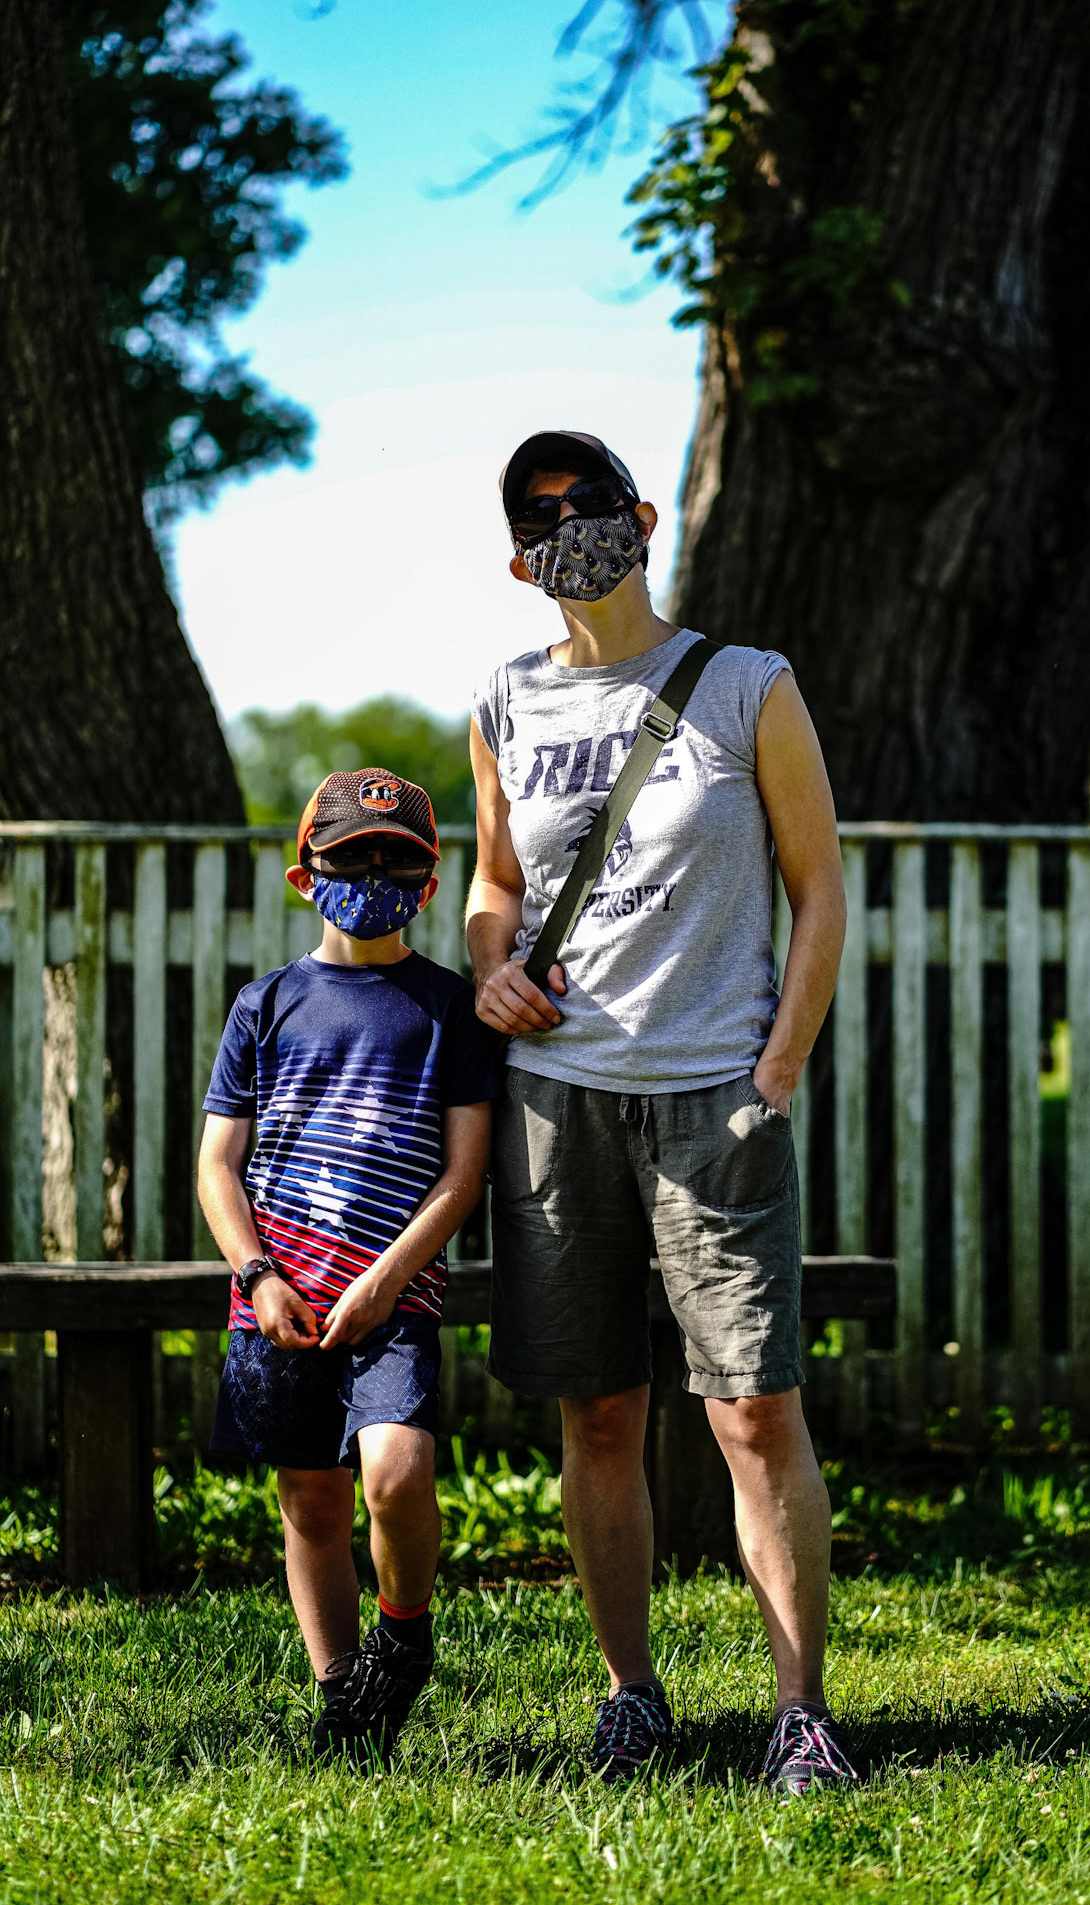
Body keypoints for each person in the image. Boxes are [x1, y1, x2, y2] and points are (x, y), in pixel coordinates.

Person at [467, 429, 855, 1794]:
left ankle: (799, 1709)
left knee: (753, 1413)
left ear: (642, 516)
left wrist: (779, 1069)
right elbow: (495, 886)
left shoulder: (749, 685)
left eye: (592, 502)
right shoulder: (506, 699)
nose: (573, 527)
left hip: (715, 1097)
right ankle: (631, 1693)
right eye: (543, 515)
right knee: (601, 1417)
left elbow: (820, 893)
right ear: (519, 558)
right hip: (557, 1102)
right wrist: (491, 966)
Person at [197, 770, 501, 1763]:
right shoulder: (267, 1003)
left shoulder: (448, 1008)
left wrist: (383, 1279)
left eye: (396, 857)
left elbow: (462, 1174)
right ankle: (343, 1697)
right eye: (349, 856)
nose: (372, 872)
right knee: (311, 1500)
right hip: (277, 1301)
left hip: (393, 1297)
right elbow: (218, 1163)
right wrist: (257, 1275)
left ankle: (403, 1636)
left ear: (428, 876)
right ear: (303, 873)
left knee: (395, 1469)